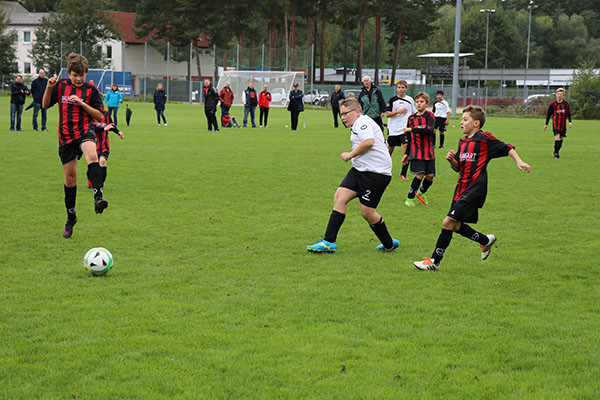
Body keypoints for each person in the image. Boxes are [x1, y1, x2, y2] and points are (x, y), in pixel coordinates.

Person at [414, 105, 531, 271]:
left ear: (476, 123)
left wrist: (519, 161)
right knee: (455, 225)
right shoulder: (463, 142)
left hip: (475, 188)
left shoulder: (484, 139)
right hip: (461, 187)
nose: (461, 122)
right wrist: (452, 161)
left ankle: (434, 261)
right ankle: (485, 240)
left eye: (465, 119)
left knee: (447, 222)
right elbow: (459, 168)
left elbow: (507, 148)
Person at [306, 98, 399, 253]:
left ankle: (389, 243)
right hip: (360, 170)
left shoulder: (362, 122)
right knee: (340, 197)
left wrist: (350, 155)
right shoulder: (359, 123)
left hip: (376, 174)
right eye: (341, 114)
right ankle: (329, 241)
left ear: (357, 112)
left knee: (367, 213)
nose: (342, 117)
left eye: (345, 114)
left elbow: (369, 141)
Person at [42, 53, 107, 238]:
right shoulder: (61, 86)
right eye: (75, 75)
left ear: (86, 73)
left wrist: (82, 104)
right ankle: (71, 217)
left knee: (92, 156)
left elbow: (100, 116)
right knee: (70, 179)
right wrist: (48, 88)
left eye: (81, 75)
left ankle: (98, 197)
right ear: (69, 73)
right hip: (66, 137)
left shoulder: (91, 90)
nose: (78, 79)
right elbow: (45, 105)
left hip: (85, 131)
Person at [402, 92, 436, 207]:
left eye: (421, 102)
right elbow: (409, 139)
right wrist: (406, 154)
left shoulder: (430, 116)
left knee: (430, 176)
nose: (418, 104)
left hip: (429, 151)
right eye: (417, 102)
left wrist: (411, 129)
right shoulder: (411, 118)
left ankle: (421, 193)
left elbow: (429, 130)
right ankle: (409, 198)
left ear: (427, 104)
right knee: (420, 174)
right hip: (416, 152)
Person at [385, 80, 415, 180]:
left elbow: (414, 113)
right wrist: (398, 111)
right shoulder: (392, 100)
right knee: (388, 151)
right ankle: (384, 170)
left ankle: (403, 173)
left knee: (406, 151)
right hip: (393, 129)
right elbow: (388, 114)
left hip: (404, 129)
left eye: (402, 87)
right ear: (396, 89)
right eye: (399, 87)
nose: (400, 89)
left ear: (406, 89)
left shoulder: (410, 100)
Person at [87, 110, 125, 189]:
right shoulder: (90, 113)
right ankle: (90, 180)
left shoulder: (106, 114)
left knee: (103, 161)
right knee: (93, 165)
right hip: (92, 144)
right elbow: (89, 127)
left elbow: (111, 125)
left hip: (104, 144)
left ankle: (101, 184)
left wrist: (118, 132)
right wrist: (103, 128)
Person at [544, 88, 572, 159]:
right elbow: (549, 115)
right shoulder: (553, 104)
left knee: (561, 140)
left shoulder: (566, 104)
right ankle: (556, 153)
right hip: (556, 124)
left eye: (561, 94)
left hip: (563, 125)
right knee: (557, 137)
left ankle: (557, 151)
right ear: (556, 95)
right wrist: (546, 124)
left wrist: (570, 122)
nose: (559, 96)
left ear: (563, 95)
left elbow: (568, 113)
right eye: (558, 94)